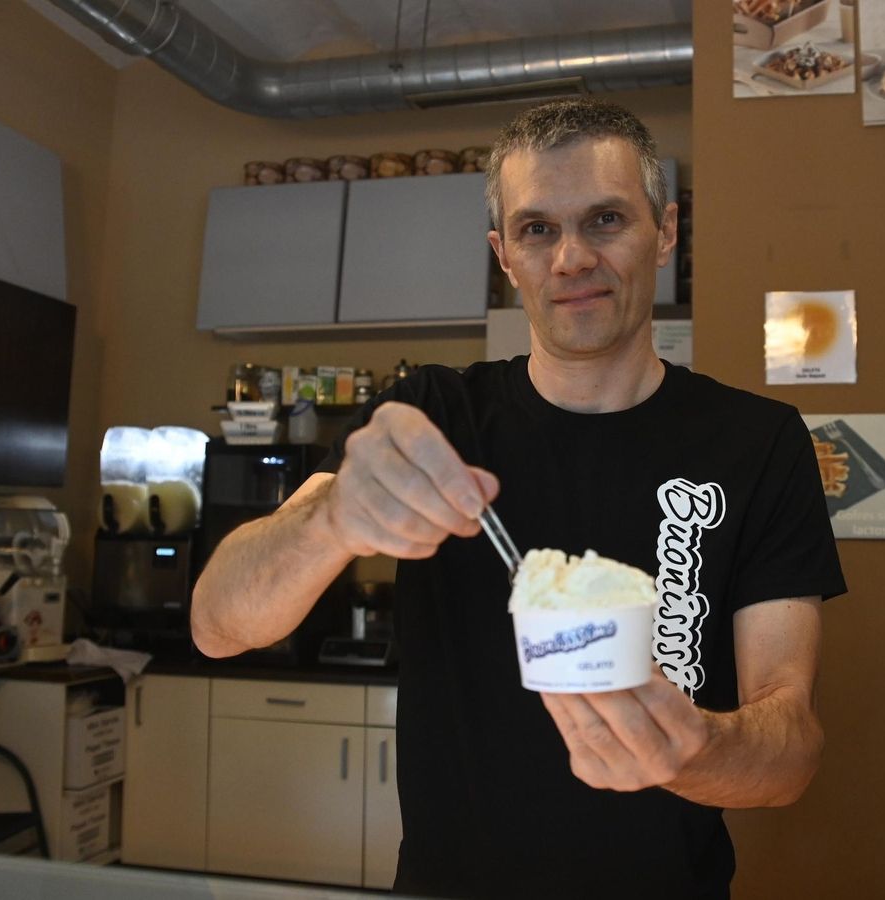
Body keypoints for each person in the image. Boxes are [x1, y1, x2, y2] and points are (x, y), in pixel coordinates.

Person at [191, 98, 846, 900]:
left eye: (606, 219)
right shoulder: (428, 418)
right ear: (504, 255)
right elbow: (218, 625)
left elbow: (791, 752)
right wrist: (330, 519)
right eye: (538, 229)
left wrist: (692, 747)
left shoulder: (759, 441)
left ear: (665, 231)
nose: (571, 257)